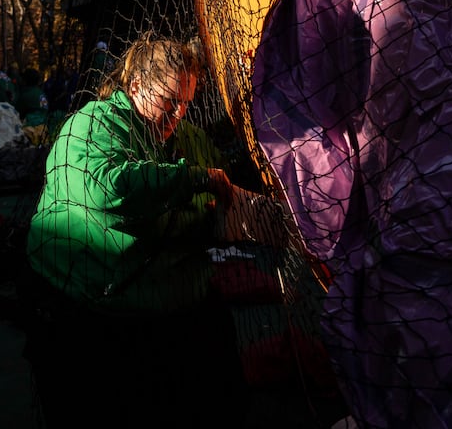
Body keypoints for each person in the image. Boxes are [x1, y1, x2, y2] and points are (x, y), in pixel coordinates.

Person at [24, 34, 275, 427]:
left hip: (171, 295)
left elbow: (222, 187)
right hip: (92, 304)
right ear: (137, 86)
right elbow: (109, 188)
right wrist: (194, 180)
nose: (177, 115)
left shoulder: (188, 138)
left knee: (220, 378)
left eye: (186, 104)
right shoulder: (90, 125)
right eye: (168, 102)